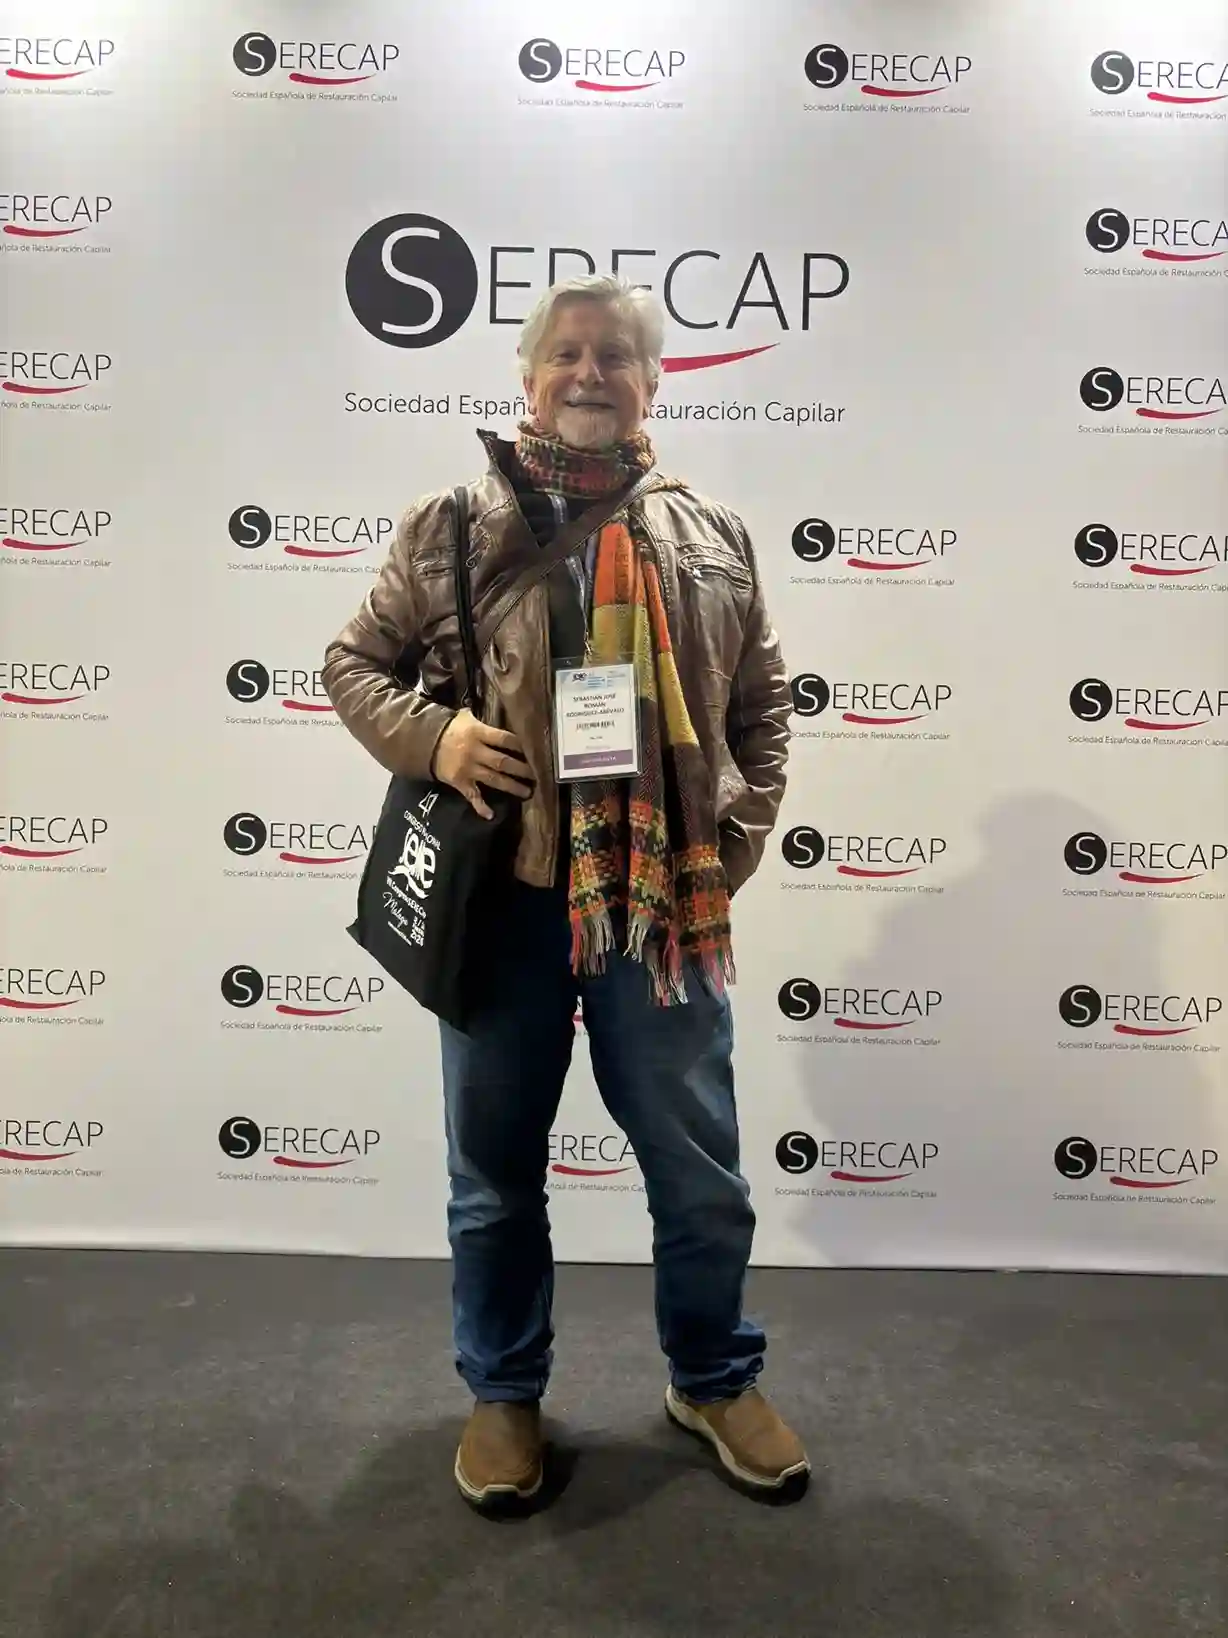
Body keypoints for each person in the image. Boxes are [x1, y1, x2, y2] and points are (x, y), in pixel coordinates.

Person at [323, 273, 806, 1507]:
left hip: (663, 907)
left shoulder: (713, 532)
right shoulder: (452, 521)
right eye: (569, 354)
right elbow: (353, 664)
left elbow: (763, 710)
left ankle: (713, 1377)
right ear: (529, 377)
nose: (592, 375)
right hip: (506, 903)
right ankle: (503, 1395)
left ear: (653, 383)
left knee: (700, 1175)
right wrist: (434, 738)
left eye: (617, 357)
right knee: (494, 1177)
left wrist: (728, 847)